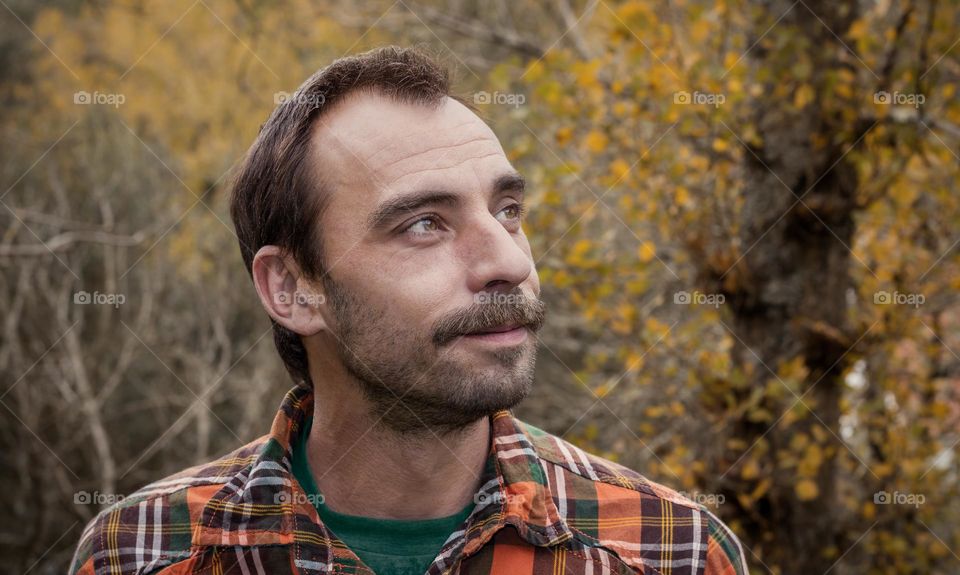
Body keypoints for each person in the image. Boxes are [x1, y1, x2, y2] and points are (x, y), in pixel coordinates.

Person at [69, 45, 749, 575]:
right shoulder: (143, 553)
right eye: (424, 224)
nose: (510, 263)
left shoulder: (670, 550)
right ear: (292, 288)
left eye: (508, 210)